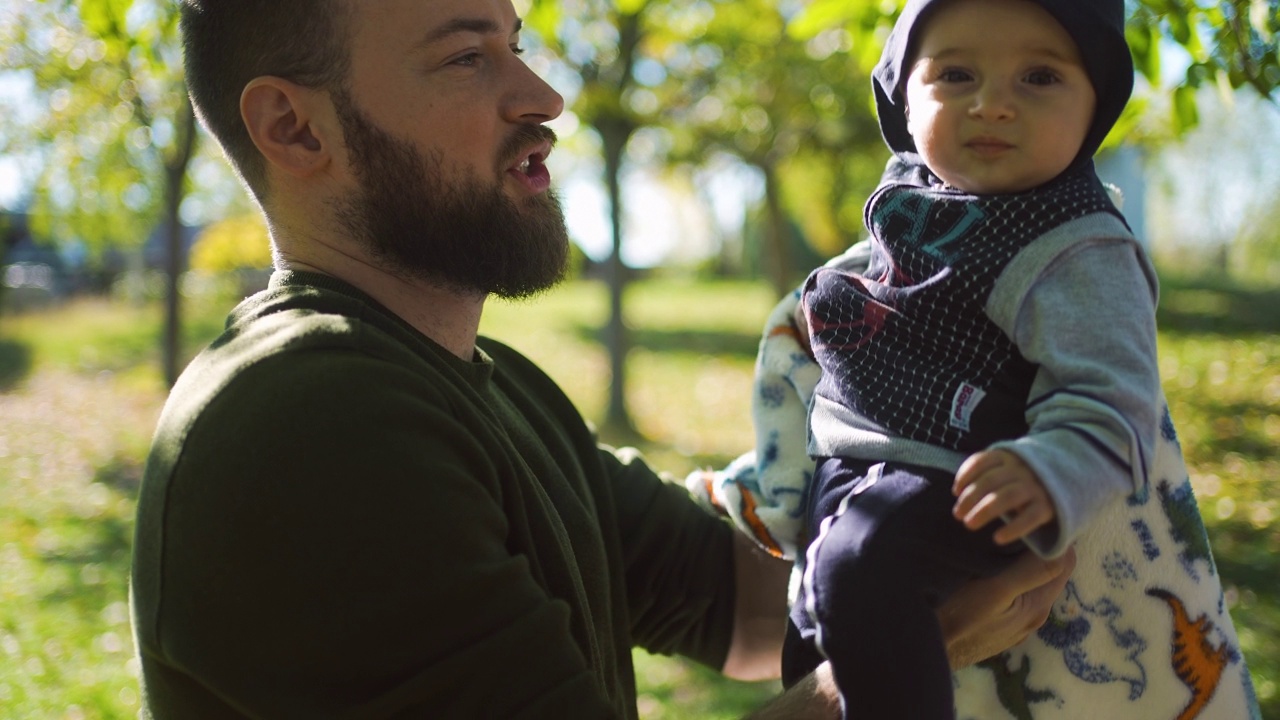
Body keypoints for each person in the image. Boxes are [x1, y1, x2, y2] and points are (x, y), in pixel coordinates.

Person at [129, 1, 1079, 718]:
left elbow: (743, 606)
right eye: (466, 57)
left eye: (516, 43)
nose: (543, 98)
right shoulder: (309, 422)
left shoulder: (487, 386)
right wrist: (897, 653)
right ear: (297, 129)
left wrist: (956, 511)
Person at [689, 0, 1259, 718]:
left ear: (1095, 107)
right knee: (816, 636)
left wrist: (1048, 471)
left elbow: (1115, 399)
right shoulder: (917, 195)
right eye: (956, 74)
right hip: (850, 466)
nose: (992, 105)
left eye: (1040, 78)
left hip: (963, 474)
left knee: (863, 571)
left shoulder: (1075, 245)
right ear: (902, 94)